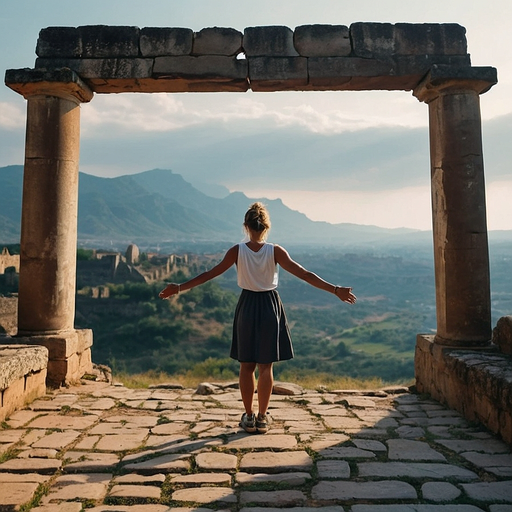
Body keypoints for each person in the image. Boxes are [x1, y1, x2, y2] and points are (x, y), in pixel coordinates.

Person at [159, 202, 356, 434]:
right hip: (270, 306)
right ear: (267, 227)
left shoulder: (236, 251)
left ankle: (249, 417)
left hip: (247, 306)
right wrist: (335, 290)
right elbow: (304, 274)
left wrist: (179, 287)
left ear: (246, 226)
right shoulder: (275, 251)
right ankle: (263, 418)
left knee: (246, 366)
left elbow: (209, 274)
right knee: (265, 366)